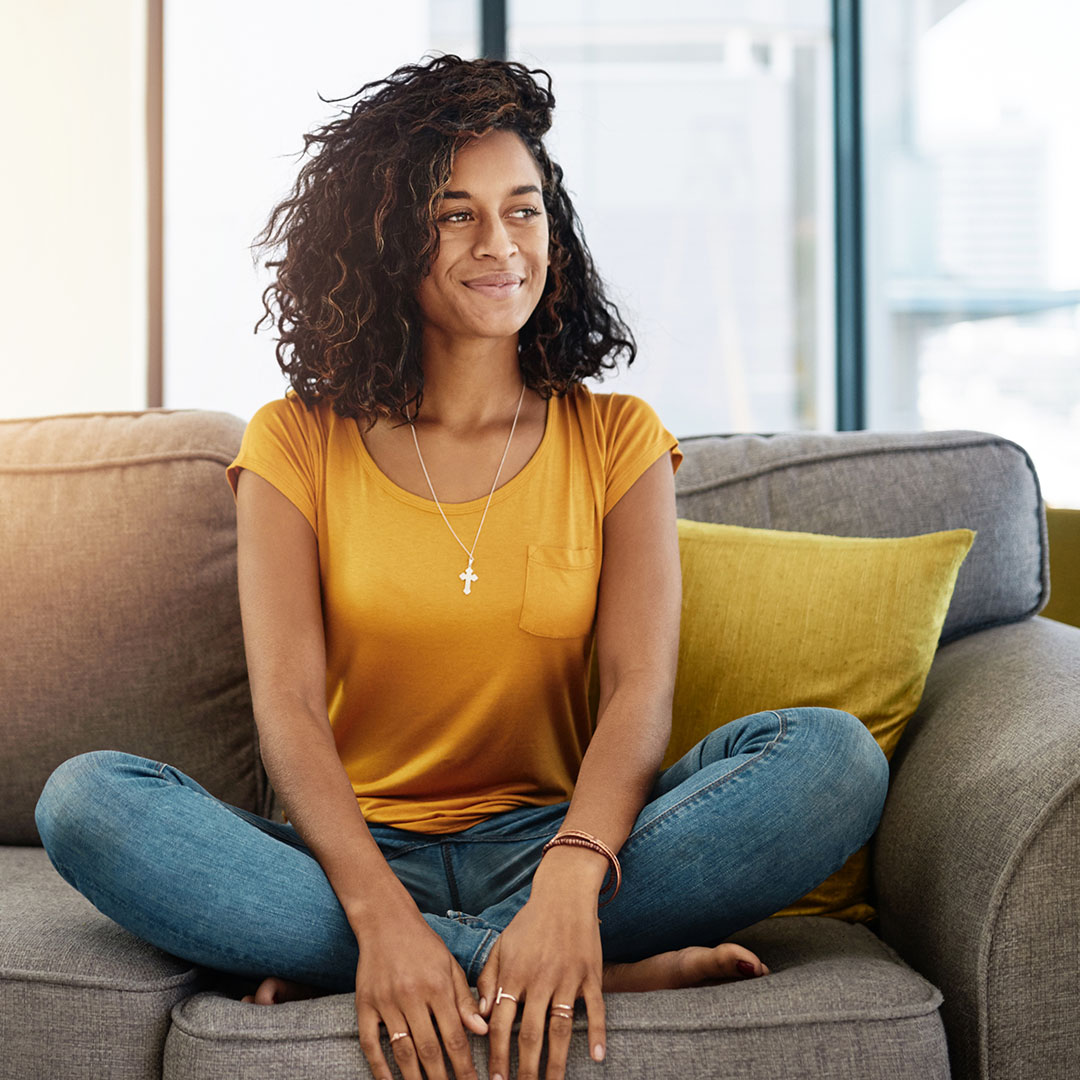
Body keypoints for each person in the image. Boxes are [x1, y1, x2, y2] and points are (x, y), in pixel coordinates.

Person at [34, 53, 890, 1080]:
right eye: (456, 215)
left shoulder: (616, 437)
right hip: (348, 857)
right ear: (391, 238)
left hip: (567, 845)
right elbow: (291, 706)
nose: (500, 244)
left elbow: (637, 690)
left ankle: (458, 956)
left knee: (834, 760)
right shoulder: (295, 440)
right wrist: (375, 908)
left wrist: (572, 885)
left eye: (522, 211)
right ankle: (531, 966)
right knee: (85, 801)